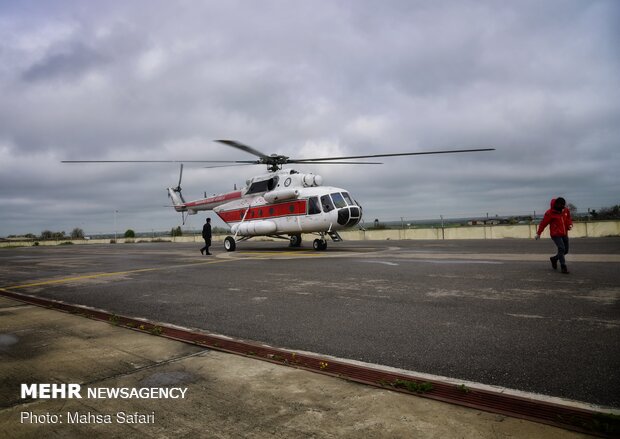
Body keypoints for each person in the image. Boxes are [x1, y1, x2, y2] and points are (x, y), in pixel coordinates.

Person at [535, 197, 573, 274]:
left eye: (563, 205)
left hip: (564, 233)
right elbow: (543, 223)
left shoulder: (565, 210)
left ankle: (554, 259)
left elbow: (568, 218)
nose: (563, 207)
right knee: (561, 248)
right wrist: (538, 233)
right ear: (556, 204)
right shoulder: (549, 213)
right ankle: (563, 266)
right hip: (555, 234)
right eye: (561, 205)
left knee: (565, 251)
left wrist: (569, 224)